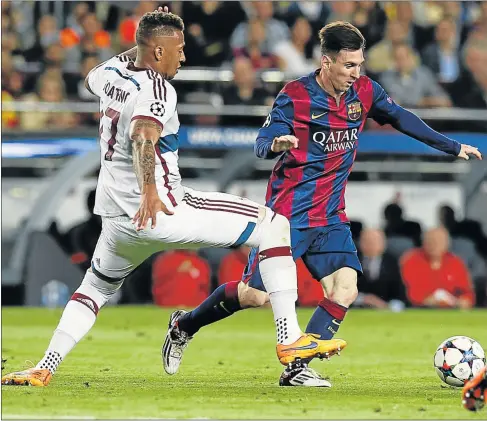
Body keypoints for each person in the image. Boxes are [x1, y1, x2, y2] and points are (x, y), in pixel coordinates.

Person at [1, 8, 345, 388]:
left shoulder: (110, 74)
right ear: (158, 52)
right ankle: (289, 340)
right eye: (178, 49)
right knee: (275, 224)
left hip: (118, 221)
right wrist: (150, 189)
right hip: (164, 208)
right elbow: (144, 136)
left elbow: (90, 79)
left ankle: (44, 366)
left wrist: (148, 35)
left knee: (94, 289)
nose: (184, 56)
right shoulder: (158, 89)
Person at [162, 21, 482, 388]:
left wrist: (451, 146)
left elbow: (400, 117)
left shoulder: (364, 91)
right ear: (326, 62)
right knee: (254, 295)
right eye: (348, 65)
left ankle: (297, 368)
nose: (355, 73)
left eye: (359, 64)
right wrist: (276, 145)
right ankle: (184, 324)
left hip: (331, 215)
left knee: (345, 288)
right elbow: (261, 140)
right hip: (288, 215)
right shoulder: (295, 95)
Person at [400, 227, 475, 308]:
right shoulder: (412, 261)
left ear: (447, 243)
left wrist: (464, 300)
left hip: (452, 310)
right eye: (431, 240)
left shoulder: (455, 262)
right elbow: (411, 292)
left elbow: (467, 292)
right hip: (422, 310)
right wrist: (427, 300)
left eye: (439, 241)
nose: (435, 244)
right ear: (423, 242)